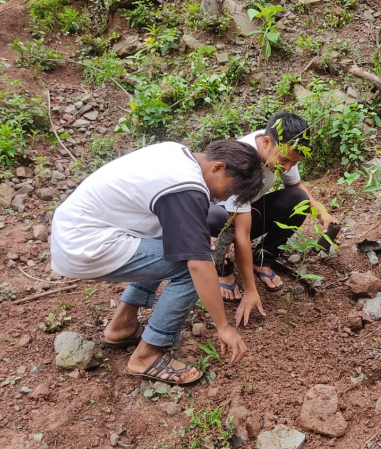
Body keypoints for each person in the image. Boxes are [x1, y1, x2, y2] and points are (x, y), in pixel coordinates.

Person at [50, 140, 263, 384]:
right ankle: (145, 356)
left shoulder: (177, 153)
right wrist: (223, 326)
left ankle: (122, 326)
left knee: (179, 245)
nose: (224, 197)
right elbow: (197, 265)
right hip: (86, 245)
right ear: (218, 167)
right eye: (229, 189)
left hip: (75, 229)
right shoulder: (187, 187)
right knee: (191, 268)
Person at [208, 112, 329, 322]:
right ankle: (222, 267)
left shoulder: (280, 147)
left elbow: (296, 185)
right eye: (284, 161)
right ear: (266, 142)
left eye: (293, 162)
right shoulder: (242, 165)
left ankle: (262, 258)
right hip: (216, 218)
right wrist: (250, 290)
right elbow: (241, 234)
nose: (288, 167)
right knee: (219, 219)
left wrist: (320, 210)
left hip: (247, 210)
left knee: (300, 199)